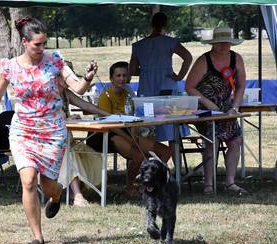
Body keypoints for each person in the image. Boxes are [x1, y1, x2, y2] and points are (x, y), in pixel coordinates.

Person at [0, 17, 98, 244]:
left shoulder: (56, 62)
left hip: (52, 132)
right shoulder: (10, 66)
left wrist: (88, 77)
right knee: (28, 180)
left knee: (49, 186)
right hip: (23, 131)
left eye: (44, 44)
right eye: (37, 44)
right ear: (25, 42)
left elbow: (78, 88)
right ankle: (38, 238)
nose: (42, 49)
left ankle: (57, 194)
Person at [87, 61, 171, 196]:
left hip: (126, 131)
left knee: (165, 151)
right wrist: (131, 140)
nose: (122, 79)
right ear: (111, 78)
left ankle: (152, 182)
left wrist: (134, 137)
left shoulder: (128, 94)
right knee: (137, 156)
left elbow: (132, 118)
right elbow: (109, 124)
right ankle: (130, 186)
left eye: (124, 75)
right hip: (105, 133)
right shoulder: (105, 96)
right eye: (118, 75)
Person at [185, 26, 248, 196]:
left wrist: (235, 106)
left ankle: (230, 183)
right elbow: (189, 87)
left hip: (227, 109)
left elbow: (241, 85)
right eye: (219, 43)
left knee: (236, 141)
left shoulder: (237, 59)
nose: (223, 46)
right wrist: (208, 103)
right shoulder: (203, 60)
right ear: (213, 43)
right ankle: (209, 185)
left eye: (226, 42)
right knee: (212, 141)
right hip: (205, 109)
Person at [129, 12, 193, 155]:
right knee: (173, 129)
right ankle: (176, 171)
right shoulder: (170, 42)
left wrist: (146, 71)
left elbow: (132, 70)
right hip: (167, 84)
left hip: (147, 87)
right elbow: (188, 57)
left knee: (146, 128)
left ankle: (148, 165)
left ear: (151, 25)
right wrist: (180, 76)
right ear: (165, 25)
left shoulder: (138, 45)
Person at [58, 61, 110, 207]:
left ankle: (77, 189)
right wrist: (67, 118)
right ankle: (77, 195)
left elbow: (86, 106)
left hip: (69, 141)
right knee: (69, 155)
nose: (72, 81)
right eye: (68, 77)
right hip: (51, 144)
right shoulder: (48, 95)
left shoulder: (66, 94)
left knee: (92, 156)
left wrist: (109, 115)